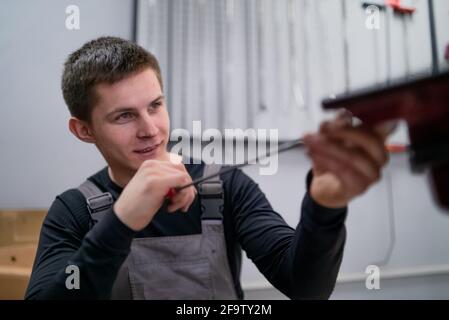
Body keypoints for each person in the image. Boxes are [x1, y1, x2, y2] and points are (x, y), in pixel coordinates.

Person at [25, 36, 389, 300]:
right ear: (84, 130)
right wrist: (121, 221)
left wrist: (324, 205)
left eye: (155, 105)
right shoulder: (73, 212)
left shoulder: (224, 187)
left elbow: (306, 288)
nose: (150, 129)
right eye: (124, 116)